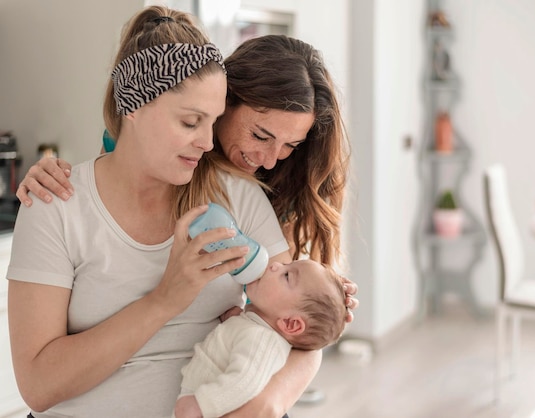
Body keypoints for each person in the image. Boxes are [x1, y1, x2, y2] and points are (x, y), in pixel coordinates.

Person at [7, 6, 323, 418]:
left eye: (212, 123)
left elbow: (295, 329)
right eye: (191, 122)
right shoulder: (57, 205)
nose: (208, 143)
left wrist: (266, 404)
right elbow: (38, 387)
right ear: (133, 105)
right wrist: (165, 300)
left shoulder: (239, 196)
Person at [17, 32, 359, 317]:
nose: (270, 160)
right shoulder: (143, 151)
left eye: (290, 145)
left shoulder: (276, 180)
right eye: (260, 136)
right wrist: (50, 173)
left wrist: (321, 302)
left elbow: (290, 315)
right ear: (224, 101)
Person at [174, 259, 347, 418]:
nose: (275, 264)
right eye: (286, 263)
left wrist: (201, 405)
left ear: (290, 323)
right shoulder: (256, 328)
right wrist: (235, 320)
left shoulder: (261, 341)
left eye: (286, 275)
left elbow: (244, 382)